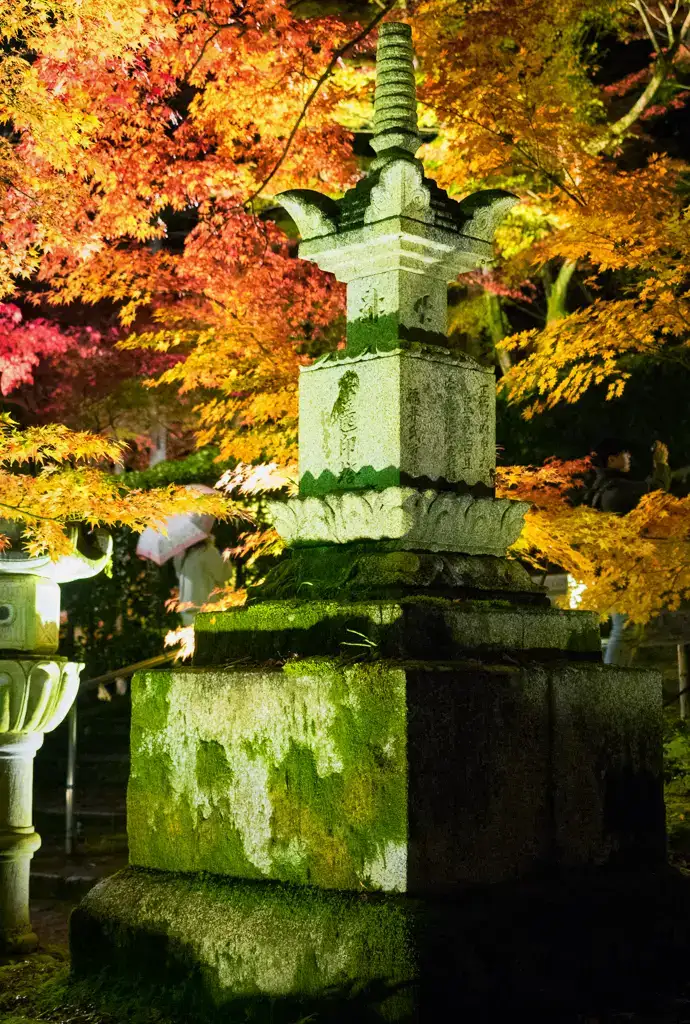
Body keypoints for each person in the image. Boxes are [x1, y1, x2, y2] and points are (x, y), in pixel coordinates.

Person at [583, 437, 670, 665]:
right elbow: (656, 492)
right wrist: (661, 464)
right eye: (624, 453)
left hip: (613, 568)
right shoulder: (615, 491)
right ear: (611, 459)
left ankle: (612, 683)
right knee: (626, 629)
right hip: (620, 570)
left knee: (628, 629)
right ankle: (612, 688)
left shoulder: (603, 488)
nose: (628, 457)